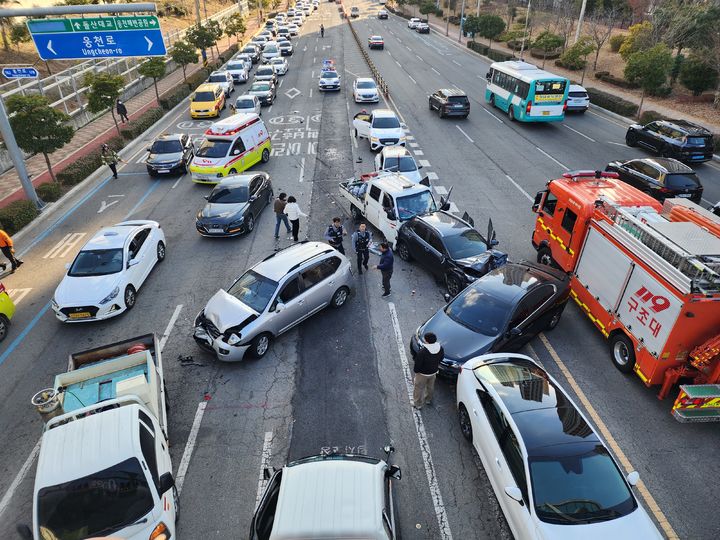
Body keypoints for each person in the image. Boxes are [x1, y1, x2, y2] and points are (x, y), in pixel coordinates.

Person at [412, 332, 443, 409]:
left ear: (427, 341)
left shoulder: (423, 352)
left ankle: (417, 404)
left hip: (422, 374)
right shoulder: (440, 348)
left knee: (418, 388)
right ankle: (428, 399)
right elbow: (441, 358)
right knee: (430, 387)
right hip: (433, 372)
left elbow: (418, 364)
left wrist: (416, 371)